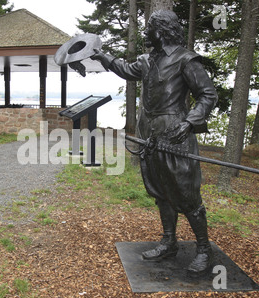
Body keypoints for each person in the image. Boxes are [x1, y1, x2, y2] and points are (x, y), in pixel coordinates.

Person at [91, 10, 218, 275]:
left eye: (149, 28)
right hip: (149, 135)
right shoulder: (148, 60)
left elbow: (207, 94)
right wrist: (102, 55)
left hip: (175, 136)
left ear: (160, 30)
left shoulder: (185, 59)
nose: (145, 34)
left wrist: (189, 122)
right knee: (160, 191)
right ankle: (169, 241)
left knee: (187, 194)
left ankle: (204, 249)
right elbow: (125, 70)